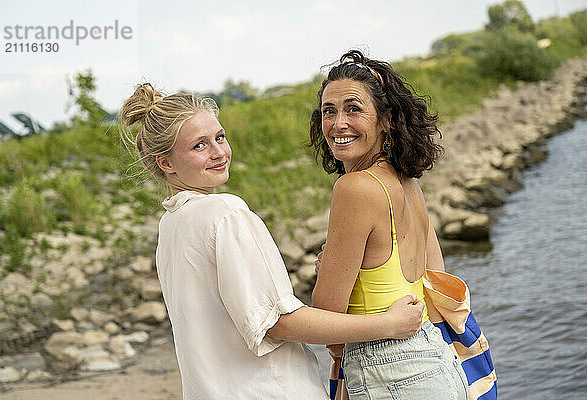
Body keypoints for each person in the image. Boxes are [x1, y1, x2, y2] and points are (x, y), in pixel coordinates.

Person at [118, 83, 426, 400]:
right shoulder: (225, 212)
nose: (218, 152)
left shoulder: (171, 224)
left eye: (219, 137)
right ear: (165, 163)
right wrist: (388, 324)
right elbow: (276, 322)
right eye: (200, 146)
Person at [310, 50, 470, 399]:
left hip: (392, 371)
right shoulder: (409, 186)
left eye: (354, 108)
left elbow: (326, 316)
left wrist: (328, 272)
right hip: (437, 362)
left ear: (386, 120)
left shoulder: (354, 188)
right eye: (329, 111)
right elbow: (436, 284)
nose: (338, 123)